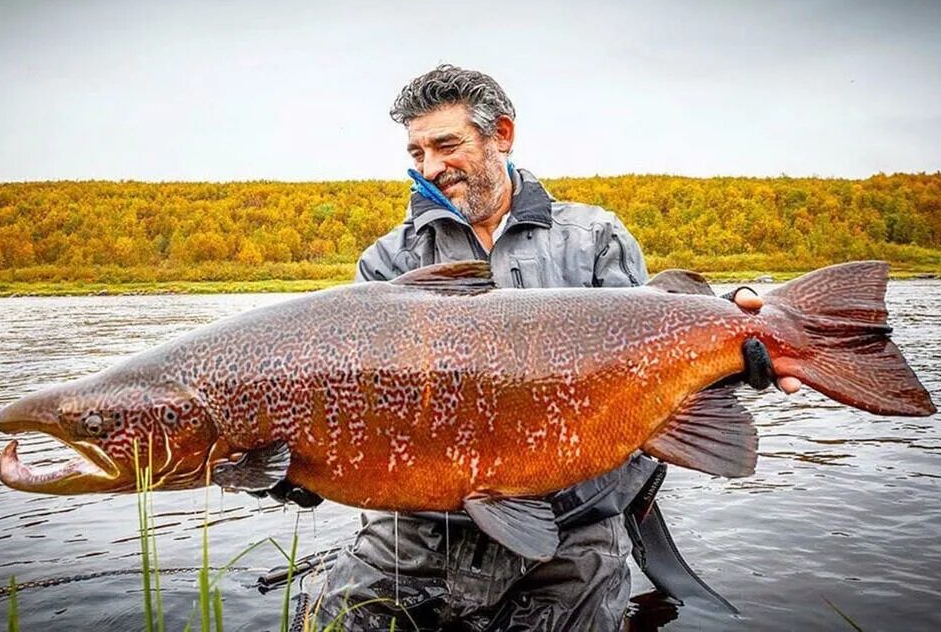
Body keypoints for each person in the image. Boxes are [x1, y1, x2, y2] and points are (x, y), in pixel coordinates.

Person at [297, 65, 799, 631]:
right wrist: (302, 467)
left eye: (446, 145)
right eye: (416, 152)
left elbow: (656, 360)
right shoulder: (389, 264)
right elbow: (353, 399)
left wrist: (735, 360)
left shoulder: (594, 239)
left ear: (501, 135)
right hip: (416, 537)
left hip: (572, 535)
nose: (430, 167)